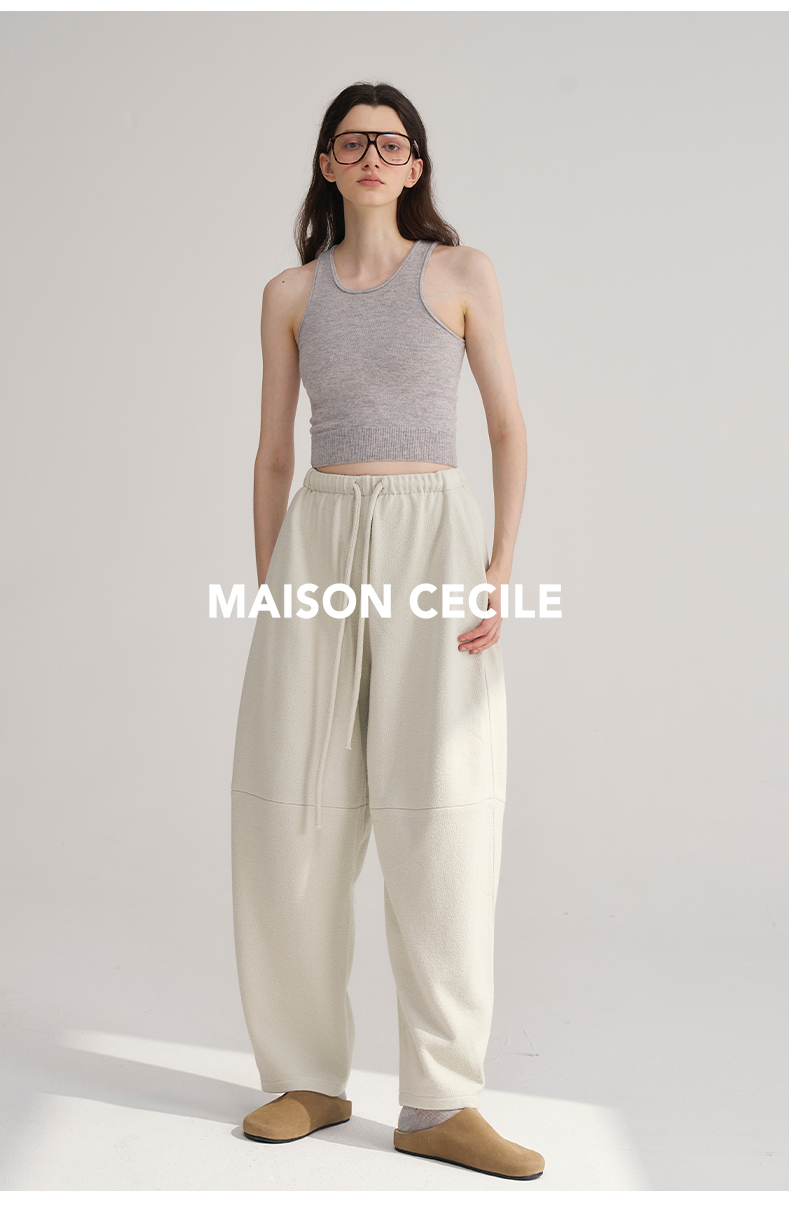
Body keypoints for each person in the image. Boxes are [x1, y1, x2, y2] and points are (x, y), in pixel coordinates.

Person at [230, 81, 543, 1182]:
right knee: (293, 805)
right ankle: (307, 1077)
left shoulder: (460, 274)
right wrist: (274, 585)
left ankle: (440, 1101)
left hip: (433, 539)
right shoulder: (289, 293)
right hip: (318, 537)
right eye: (353, 140)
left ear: (415, 166)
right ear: (327, 162)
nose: (373, 155)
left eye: (392, 142)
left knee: (443, 809)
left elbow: (507, 425)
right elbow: (275, 451)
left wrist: (499, 567)